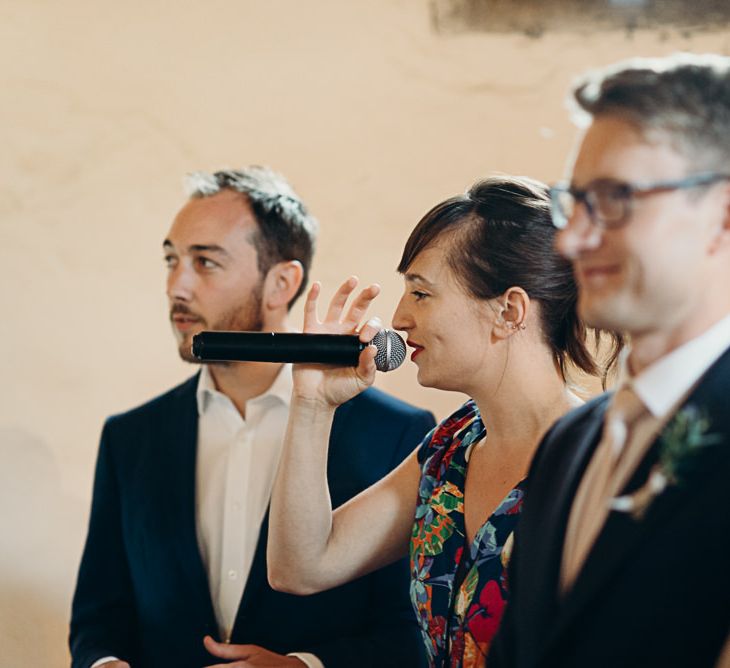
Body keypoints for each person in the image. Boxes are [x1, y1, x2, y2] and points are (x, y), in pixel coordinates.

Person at [69, 167, 436, 668]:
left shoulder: (398, 435)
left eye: (205, 262)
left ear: (281, 282)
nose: (177, 285)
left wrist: (305, 667)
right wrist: (103, 664)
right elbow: (98, 618)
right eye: (172, 260)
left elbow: (411, 635)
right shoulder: (129, 437)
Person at [267, 175, 617, 667]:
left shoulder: (603, 457)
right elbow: (300, 566)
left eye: (422, 293)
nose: (399, 318)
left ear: (509, 310)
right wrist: (312, 406)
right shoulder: (449, 449)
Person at [489, 54, 730, 668]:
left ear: (722, 215)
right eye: (577, 203)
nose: (571, 240)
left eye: (617, 198)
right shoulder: (569, 442)